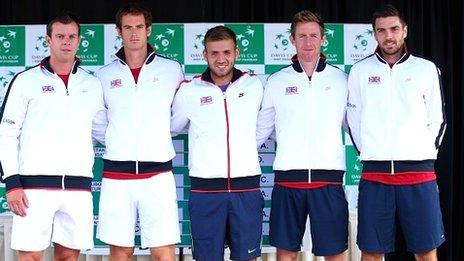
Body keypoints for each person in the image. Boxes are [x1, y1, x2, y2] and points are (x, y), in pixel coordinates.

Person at [0, 11, 104, 261]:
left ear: (79, 41)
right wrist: (12, 182)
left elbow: (104, 131)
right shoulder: (25, 80)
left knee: (69, 256)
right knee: (30, 257)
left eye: (71, 36)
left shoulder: (92, 84)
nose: (66, 41)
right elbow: (6, 132)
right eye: (60, 36)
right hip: (33, 187)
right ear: (48, 40)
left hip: (77, 187)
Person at [347, 5, 446, 261]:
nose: (388, 36)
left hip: (419, 173)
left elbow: (438, 119)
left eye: (393, 29)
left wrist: (422, 153)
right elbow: (353, 120)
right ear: (375, 34)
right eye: (381, 30)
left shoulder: (426, 69)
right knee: (371, 251)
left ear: (405, 31)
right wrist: (372, 151)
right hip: (375, 175)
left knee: (425, 251)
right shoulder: (360, 71)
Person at [92, 2, 184, 261]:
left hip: (158, 174)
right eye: (128, 27)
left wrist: (158, 133)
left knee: (163, 251)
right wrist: (116, 138)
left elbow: (179, 116)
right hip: (116, 175)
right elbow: (99, 121)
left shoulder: (171, 69)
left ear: (149, 30)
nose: (134, 33)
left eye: (139, 27)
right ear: (118, 32)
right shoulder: (104, 75)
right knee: (120, 251)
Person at [256, 10, 349, 261]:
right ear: (292, 39)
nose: (308, 42)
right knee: (286, 253)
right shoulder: (276, 81)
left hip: (328, 181)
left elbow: (357, 126)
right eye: (302, 36)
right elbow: (261, 130)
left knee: (334, 253)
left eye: (313, 36)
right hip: (288, 180)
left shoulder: (342, 80)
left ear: (323, 39)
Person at [171, 25, 264, 261]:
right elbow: (173, 127)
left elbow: (265, 125)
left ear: (236, 52)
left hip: (247, 187)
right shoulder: (189, 90)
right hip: (206, 190)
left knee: (247, 258)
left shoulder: (254, 86)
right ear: (205, 55)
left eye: (226, 52)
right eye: (214, 53)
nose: (221, 59)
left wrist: (246, 147)